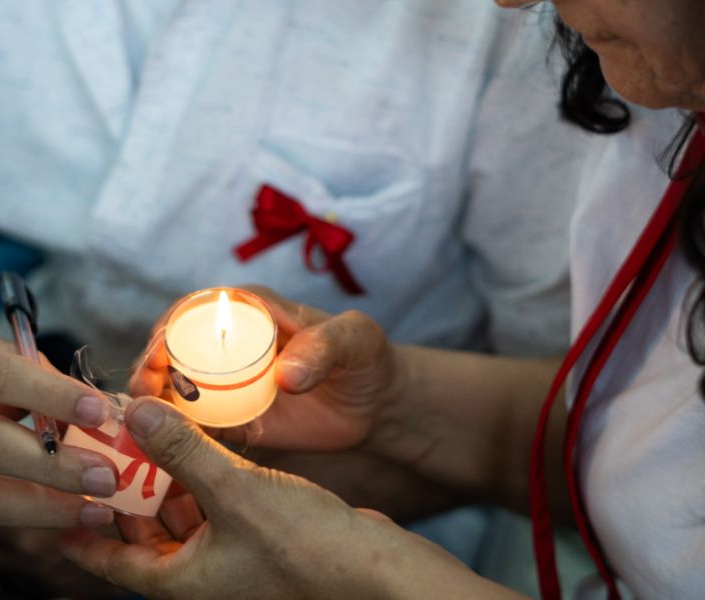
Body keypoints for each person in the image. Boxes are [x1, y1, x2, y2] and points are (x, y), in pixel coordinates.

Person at [0, 1, 594, 595]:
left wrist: (184, 515)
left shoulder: (526, 27)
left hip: (373, 479)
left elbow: (587, 420)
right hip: (56, 329)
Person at [59, 0, 705, 598]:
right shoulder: (666, 117)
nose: (509, 5)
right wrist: (398, 403)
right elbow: (644, 448)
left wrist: (373, 579)